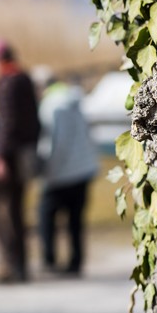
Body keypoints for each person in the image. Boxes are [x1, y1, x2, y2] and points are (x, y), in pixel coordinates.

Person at [0, 38, 41, 283]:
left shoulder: (7, 83)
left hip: (8, 157)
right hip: (22, 153)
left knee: (2, 211)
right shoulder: (24, 79)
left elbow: (7, 124)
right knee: (16, 209)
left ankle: (10, 265)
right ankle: (19, 265)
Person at [37, 79, 98, 276]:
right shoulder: (76, 101)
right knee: (75, 220)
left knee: (46, 216)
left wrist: (47, 170)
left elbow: (55, 141)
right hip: (83, 169)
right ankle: (76, 262)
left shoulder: (50, 106)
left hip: (61, 172)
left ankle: (49, 260)